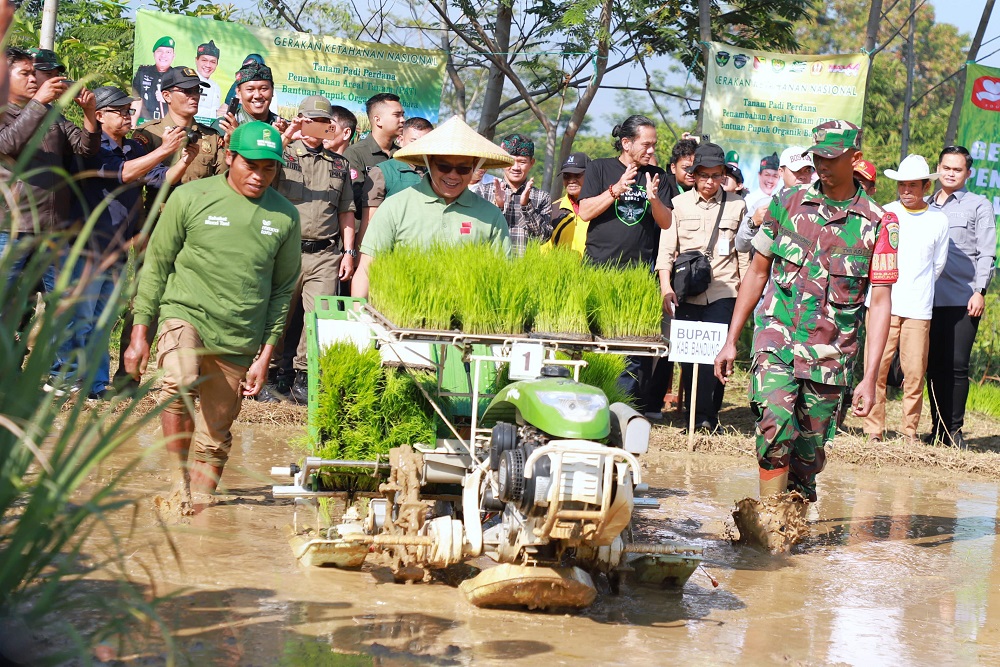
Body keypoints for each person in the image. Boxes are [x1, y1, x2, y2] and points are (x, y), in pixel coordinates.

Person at [715, 120, 897, 504]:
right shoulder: (787, 202)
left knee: (808, 453)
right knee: (774, 426)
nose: (823, 165)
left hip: (831, 354)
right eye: (817, 157)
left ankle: (795, 507)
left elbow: (879, 301)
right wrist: (731, 340)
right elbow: (757, 271)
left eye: (831, 157)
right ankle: (769, 524)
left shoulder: (879, 222)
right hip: (777, 336)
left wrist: (870, 379)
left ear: (855, 158)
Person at [124, 121, 301, 507]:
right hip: (184, 312)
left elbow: (283, 290)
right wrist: (139, 333)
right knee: (178, 381)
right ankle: (177, 484)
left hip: (240, 332)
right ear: (230, 156)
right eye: (250, 165)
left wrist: (265, 355)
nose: (259, 175)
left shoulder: (286, 216)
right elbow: (155, 266)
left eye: (268, 168)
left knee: (215, 436)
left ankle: (201, 508)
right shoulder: (190, 197)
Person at [59, 86, 198, 399]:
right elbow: (123, 174)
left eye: (127, 110)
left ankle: (94, 387)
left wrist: (185, 159)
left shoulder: (134, 146)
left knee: (102, 321)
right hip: (87, 247)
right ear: (99, 115)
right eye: (119, 111)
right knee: (80, 320)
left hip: (117, 250)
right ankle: (66, 380)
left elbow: (163, 178)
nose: (126, 115)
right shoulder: (91, 148)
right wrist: (163, 150)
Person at [119, 66, 226, 391]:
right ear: (166, 96)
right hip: (157, 227)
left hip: (200, 233)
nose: (194, 96)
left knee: (198, 301)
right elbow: (136, 178)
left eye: (197, 91)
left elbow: (224, 181)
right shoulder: (147, 135)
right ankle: (127, 377)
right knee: (143, 301)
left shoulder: (211, 137)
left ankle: (185, 378)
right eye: (186, 90)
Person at [351, 116, 512, 298]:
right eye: (444, 167)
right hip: (399, 314)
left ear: (475, 167)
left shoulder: (490, 215)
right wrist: (358, 316)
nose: (453, 176)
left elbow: (502, 274)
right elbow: (366, 269)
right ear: (429, 162)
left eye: (463, 169)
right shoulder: (396, 206)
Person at [577, 115, 672, 411]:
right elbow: (585, 212)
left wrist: (653, 198)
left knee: (632, 351)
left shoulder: (658, 176)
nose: (651, 150)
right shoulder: (599, 168)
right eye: (646, 144)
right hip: (597, 271)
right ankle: (587, 406)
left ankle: (619, 409)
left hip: (638, 277)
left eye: (654, 145)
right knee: (593, 343)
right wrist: (615, 189)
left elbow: (667, 223)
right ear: (626, 142)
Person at [656, 142, 748, 431]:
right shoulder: (679, 204)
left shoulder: (737, 205)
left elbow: (743, 255)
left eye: (716, 176)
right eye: (704, 175)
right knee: (689, 359)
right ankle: (693, 418)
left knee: (716, 356)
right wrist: (665, 288)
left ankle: (710, 417)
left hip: (724, 292)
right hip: (687, 292)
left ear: (723, 175)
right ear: (693, 175)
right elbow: (666, 250)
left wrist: (747, 298)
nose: (710, 182)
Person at [273, 95, 357, 404]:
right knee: (278, 315)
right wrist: (287, 134)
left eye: (324, 122)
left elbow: (346, 210)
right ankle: (270, 373)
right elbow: (264, 167)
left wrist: (348, 252)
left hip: (324, 253)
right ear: (300, 119)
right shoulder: (282, 153)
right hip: (286, 250)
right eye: (312, 120)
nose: (319, 127)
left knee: (317, 319)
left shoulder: (339, 164)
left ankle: (304, 378)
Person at [863, 154, 949, 444]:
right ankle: (873, 428)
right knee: (876, 368)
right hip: (880, 305)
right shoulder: (884, 213)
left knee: (914, 372)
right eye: (902, 185)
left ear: (926, 186)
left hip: (918, 307)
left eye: (913, 185)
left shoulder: (939, 220)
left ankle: (908, 431)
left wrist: (916, 288)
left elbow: (938, 265)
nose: (906, 191)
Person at [0, 47, 99, 295]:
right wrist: (37, 103)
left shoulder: (51, 114)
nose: (34, 79)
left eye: (35, 74)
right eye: (26, 74)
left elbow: (85, 148)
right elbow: (6, 145)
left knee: (62, 306)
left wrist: (89, 113)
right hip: (12, 227)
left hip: (53, 229)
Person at [925, 145, 997, 449]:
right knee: (931, 366)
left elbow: (987, 253)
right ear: (938, 168)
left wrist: (980, 291)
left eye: (957, 169)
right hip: (927, 299)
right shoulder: (925, 204)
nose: (950, 173)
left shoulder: (978, 205)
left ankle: (954, 431)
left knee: (956, 365)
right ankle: (936, 429)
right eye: (946, 167)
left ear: (967, 173)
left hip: (963, 298)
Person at [472, 133, 552, 255]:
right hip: (490, 266)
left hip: (527, 269)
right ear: (502, 160)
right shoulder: (483, 191)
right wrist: (497, 207)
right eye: (511, 161)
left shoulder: (542, 197)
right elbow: (476, 233)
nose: (515, 167)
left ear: (532, 163)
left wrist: (526, 206)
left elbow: (543, 238)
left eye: (522, 162)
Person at [359, 116, 433, 244]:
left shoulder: (439, 173)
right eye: (414, 140)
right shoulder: (382, 171)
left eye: (426, 141)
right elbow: (369, 222)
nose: (419, 146)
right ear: (400, 140)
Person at [735, 148, 809, 253]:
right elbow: (741, 246)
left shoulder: (821, 206)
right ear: (781, 172)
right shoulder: (765, 205)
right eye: (796, 170)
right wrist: (753, 223)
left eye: (807, 170)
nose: (802, 176)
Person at [344, 93, 406, 215]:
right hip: (365, 229)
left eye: (403, 115)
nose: (403, 120)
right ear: (378, 120)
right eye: (397, 115)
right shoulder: (355, 153)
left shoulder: (402, 155)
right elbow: (356, 200)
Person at [214, 61, 287, 135]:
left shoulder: (284, 128)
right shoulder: (225, 126)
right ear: (239, 92)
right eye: (250, 89)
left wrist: (281, 140)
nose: (257, 95)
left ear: (272, 91)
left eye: (264, 88)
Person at [545, 152, 589, 255]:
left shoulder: (601, 207)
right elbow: (545, 250)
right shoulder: (553, 209)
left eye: (577, 175)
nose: (571, 181)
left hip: (595, 269)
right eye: (566, 176)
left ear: (590, 175)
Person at [131, 35, 175, 124]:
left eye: (168, 52)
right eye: (160, 51)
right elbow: (137, 99)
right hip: (144, 123)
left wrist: (166, 99)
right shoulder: (143, 72)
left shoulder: (178, 76)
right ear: (154, 54)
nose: (163, 55)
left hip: (167, 124)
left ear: (173, 56)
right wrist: (132, 124)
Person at [194, 40, 221, 121]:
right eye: (204, 60)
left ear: (217, 64)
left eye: (213, 62)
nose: (208, 65)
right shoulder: (188, 82)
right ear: (196, 60)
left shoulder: (216, 87)